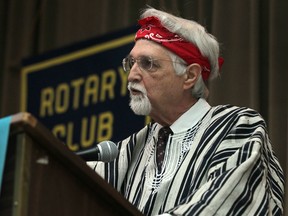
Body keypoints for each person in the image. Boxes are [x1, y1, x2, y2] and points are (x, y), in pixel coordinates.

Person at [88, 7, 284, 216]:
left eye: (148, 64)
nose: (132, 76)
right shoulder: (129, 149)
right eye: (131, 63)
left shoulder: (236, 127)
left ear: (190, 76)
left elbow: (227, 203)